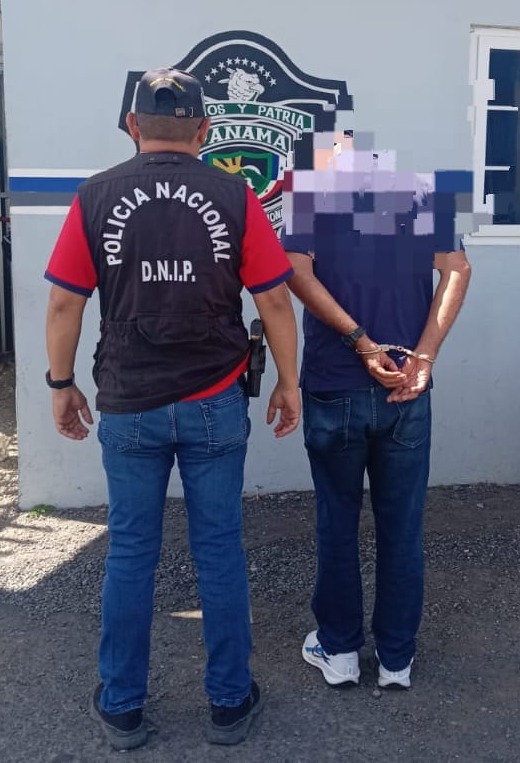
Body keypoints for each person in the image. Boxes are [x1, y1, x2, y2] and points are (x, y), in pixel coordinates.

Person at [44, 67, 301, 750]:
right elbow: (276, 300)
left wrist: (60, 383)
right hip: (215, 397)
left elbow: (65, 302)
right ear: (204, 130)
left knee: (131, 551)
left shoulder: (96, 195)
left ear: (133, 126)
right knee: (219, 550)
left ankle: (122, 706)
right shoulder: (236, 196)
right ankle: (229, 703)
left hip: (129, 401)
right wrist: (289, 382)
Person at [282, 131, 471, 690]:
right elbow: (458, 269)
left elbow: (295, 273)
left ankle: (340, 651)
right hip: (407, 389)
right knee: (402, 526)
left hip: (334, 388)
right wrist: (425, 356)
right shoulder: (421, 195)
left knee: (337, 521)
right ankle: (396, 660)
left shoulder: (310, 200)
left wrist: (361, 343)